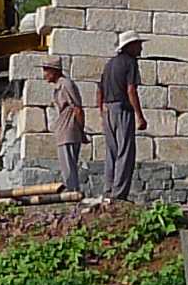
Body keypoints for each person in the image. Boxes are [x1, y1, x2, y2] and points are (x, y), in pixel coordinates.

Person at [96, 31, 146, 202]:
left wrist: (101, 109)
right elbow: (131, 90)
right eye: (138, 44)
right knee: (125, 152)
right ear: (130, 46)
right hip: (122, 109)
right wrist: (140, 115)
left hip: (108, 109)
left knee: (112, 152)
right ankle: (119, 195)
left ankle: (108, 190)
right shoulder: (130, 63)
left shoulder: (110, 64)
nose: (141, 47)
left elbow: (100, 89)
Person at [41, 57, 89, 198]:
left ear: (54, 71)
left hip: (69, 130)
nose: (44, 74)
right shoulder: (59, 86)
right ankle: (72, 192)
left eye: (46, 70)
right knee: (66, 165)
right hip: (64, 130)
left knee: (69, 166)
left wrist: (80, 130)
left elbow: (78, 108)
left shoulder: (66, 84)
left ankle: (73, 193)